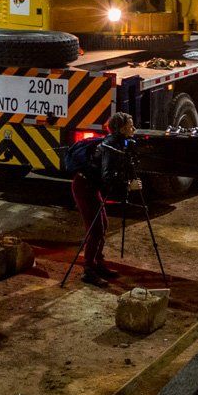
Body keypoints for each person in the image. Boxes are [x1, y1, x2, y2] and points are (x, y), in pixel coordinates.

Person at [66, 112, 133, 286]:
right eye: (130, 124)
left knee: (103, 225)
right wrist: (127, 184)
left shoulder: (117, 142)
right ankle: (88, 270)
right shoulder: (110, 147)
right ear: (121, 128)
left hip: (91, 187)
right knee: (95, 229)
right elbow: (107, 177)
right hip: (84, 187)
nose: (133, 127)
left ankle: (98, 263)